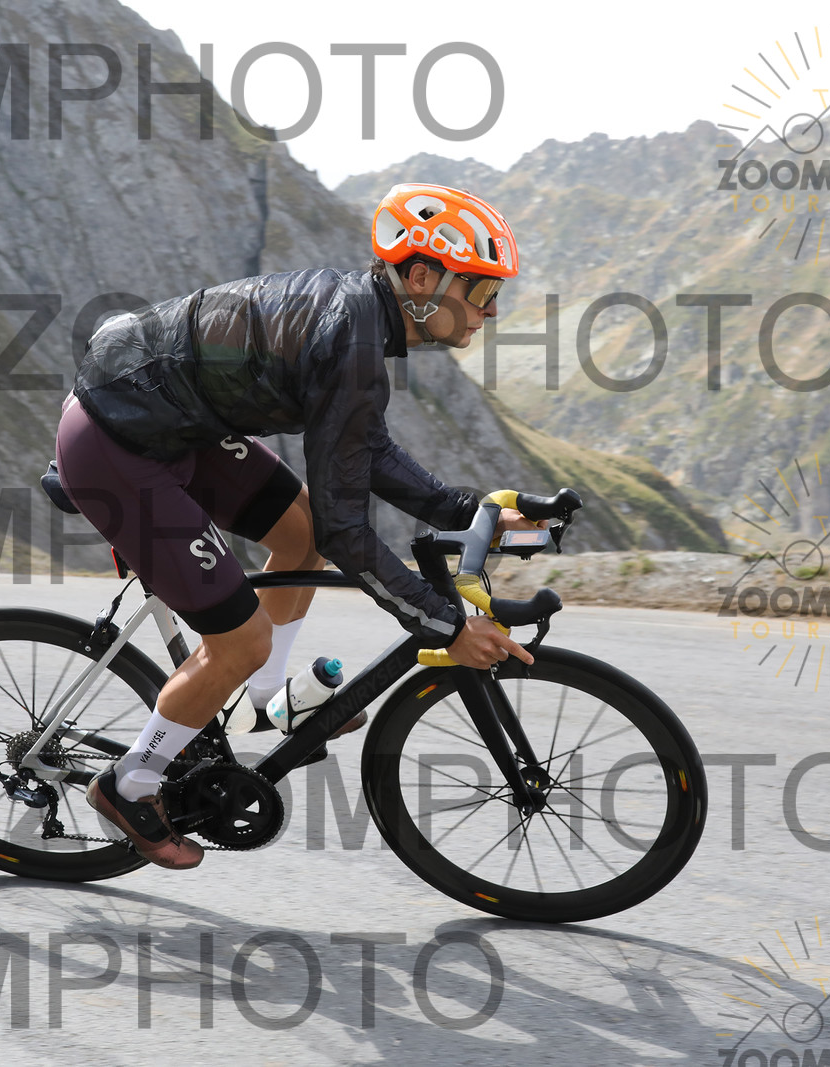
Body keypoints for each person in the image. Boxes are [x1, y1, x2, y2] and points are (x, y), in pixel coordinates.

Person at [55, 184, 542, 869]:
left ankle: (264, 701)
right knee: (242, 638)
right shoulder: (350, 337)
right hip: (116, 444)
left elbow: (364, 448)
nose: (490, 310)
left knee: (303, 529)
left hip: (168, 418)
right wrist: (445, 625)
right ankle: (128, 784)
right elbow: (352, 533)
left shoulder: (363, 323)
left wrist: (468, 511)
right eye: (482, 290)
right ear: (421, 277)